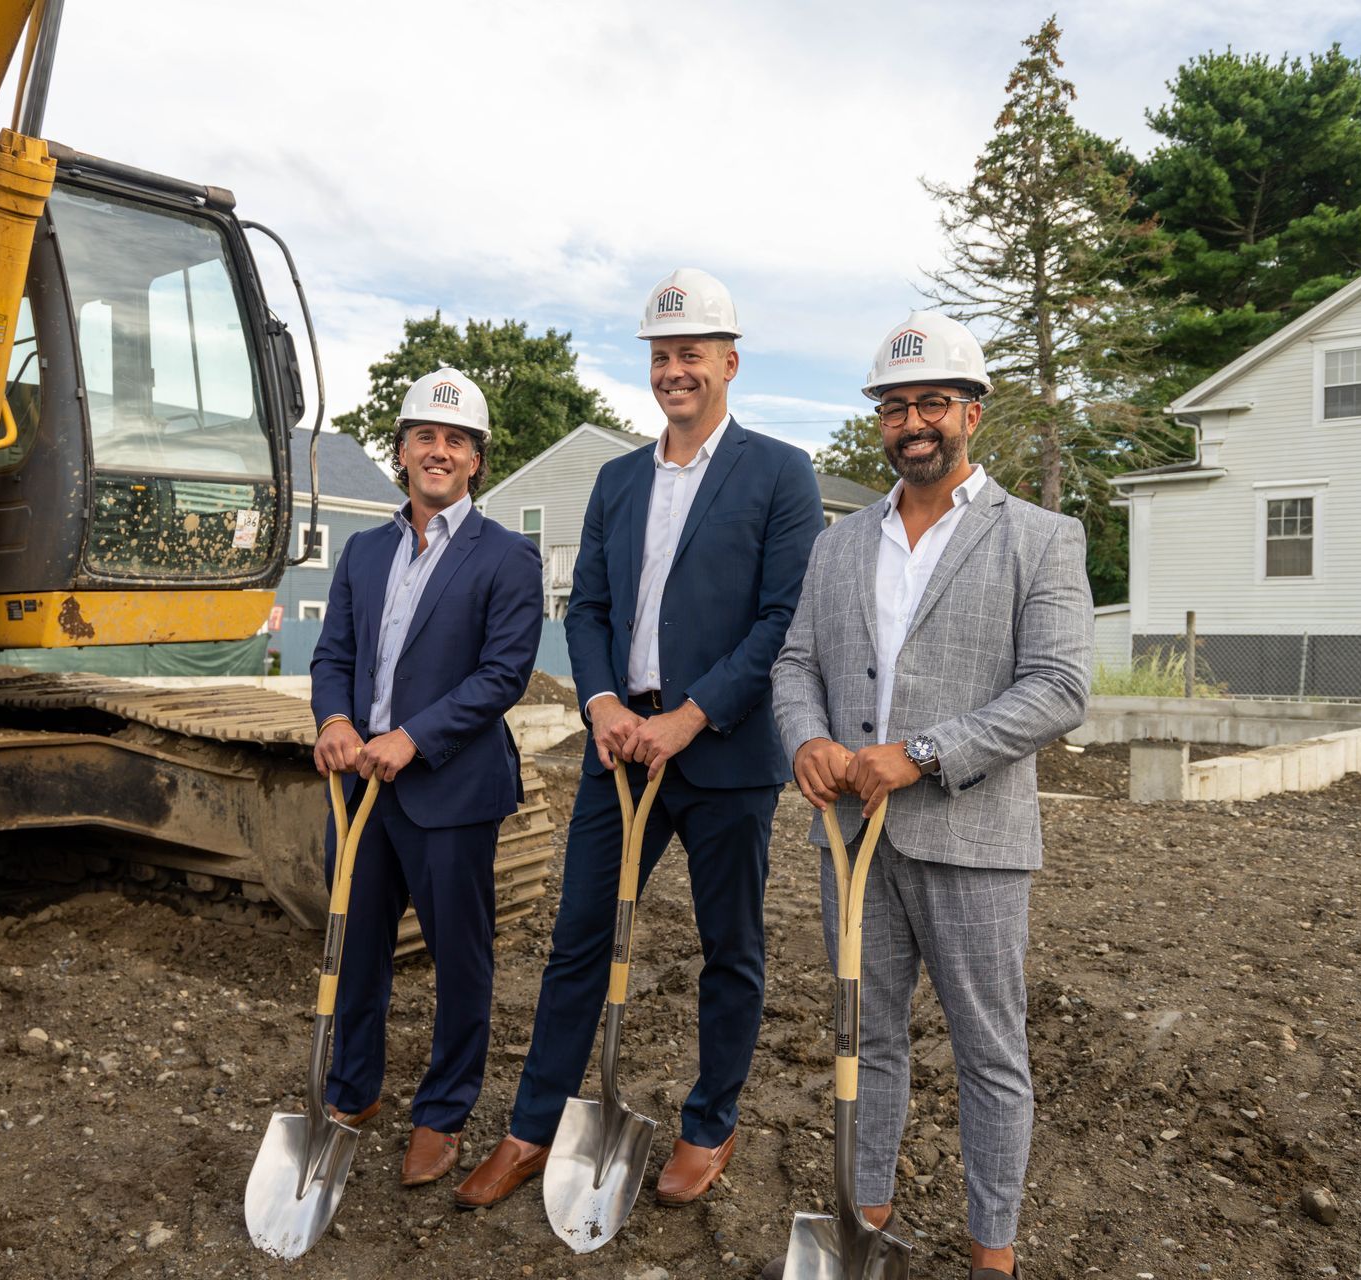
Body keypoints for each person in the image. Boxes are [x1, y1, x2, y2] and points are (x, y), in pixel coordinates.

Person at [456, 268, 823, 1210]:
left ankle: (710, 1125)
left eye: (691, 353)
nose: (675, 371)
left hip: (725, 752)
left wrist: (690, 716)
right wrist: (605, 705)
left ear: (729, 363)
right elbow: (588, 608)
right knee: (579, 936)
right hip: (620, 748)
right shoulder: (620, 480)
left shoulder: (779, 472)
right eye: (662, 356)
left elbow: (783, 618)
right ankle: (534, 1125)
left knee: (728, 946)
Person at [767, 311, 1091, 1280]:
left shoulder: (1040, 537)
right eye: (895, 405)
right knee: (864, 1036)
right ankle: (864, 1219)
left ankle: (993, 1249)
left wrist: (925, 752)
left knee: (990, 1051)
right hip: (852, 839)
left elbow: (1059, 687)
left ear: (971, 414)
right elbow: (795, 663)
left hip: (974, 838)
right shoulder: (840, 544)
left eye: (933, 403)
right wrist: (810, 739)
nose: (914, 421)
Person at [308, 366, 544, 1187]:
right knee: (359, 946)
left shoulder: (508, 557)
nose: (438, 452)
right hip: (363, 790)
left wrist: (412, 737)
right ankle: (351, 1088)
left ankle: (442, 1111)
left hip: (448, 788)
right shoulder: (364, 551)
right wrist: (335, 721)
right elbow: (334, 654)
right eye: (424, 438)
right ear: (402, 450)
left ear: (476, 459)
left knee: (459, 958)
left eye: (455, 441)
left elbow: (502, 674)